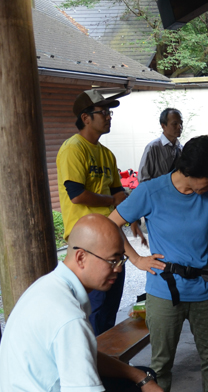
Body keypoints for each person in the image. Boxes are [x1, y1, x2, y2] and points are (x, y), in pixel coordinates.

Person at [0, 214, 194, 392]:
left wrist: (141, 377)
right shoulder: (67, 317)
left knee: (143, 376)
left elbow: (86, 356)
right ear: (81, 258)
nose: (118, 269)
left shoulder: (54, 287)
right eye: (113, 261)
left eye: (121, 260)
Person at [109, 135, 208, 392]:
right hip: (165, 290)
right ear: (190, 171)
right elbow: (110, 224)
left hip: (206, 287)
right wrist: (137, 259)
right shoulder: (151, 191)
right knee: (162, 363)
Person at [56, 88, 131, 335]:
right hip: (88, 246)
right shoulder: (73, 149)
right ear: (86, 117)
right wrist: (111, 199)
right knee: (93, 314)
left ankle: (107, 363)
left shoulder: (106, 154)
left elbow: (120, 193)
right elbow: (77, 194)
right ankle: (94, 365)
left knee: (109, 311)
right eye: (103, 112)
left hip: (111, 240)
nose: (109, 117)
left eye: (109, 113)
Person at [139, 108, 184, 182]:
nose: (180, 127)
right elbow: (143, 179)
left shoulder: (181, 149)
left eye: (181, 123)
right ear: (163, 126)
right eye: (175, 124)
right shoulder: (153, 147)